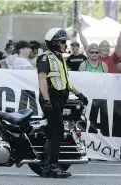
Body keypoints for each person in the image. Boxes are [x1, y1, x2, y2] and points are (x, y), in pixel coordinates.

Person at [36, 28, 88, 178]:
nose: (66, 44)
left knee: (53, 132)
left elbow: (66, 82)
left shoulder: (60, 58)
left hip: (59, 99)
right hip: (51, 99)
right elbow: (42, 79)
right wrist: (46, 100)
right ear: (53, 43)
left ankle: (47, 167)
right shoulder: (46, 58)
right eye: (63, 41)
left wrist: (80, 94)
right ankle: (52, 166)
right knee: (58, 131)